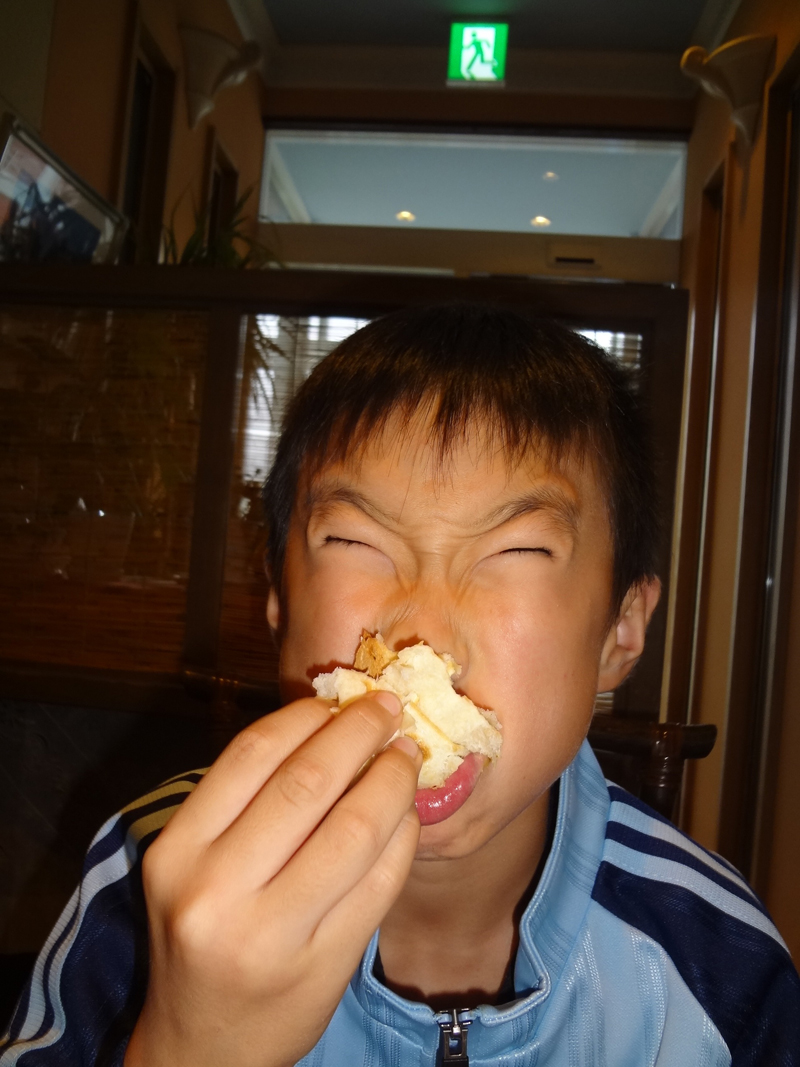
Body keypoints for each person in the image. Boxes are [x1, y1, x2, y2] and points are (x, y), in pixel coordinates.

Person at [2, 305, 798, 1067]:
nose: (424, 637)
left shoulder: (718, 964)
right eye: (353, 540)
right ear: (278, 604)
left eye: (518, 550)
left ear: (620, 632)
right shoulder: (152, 874)